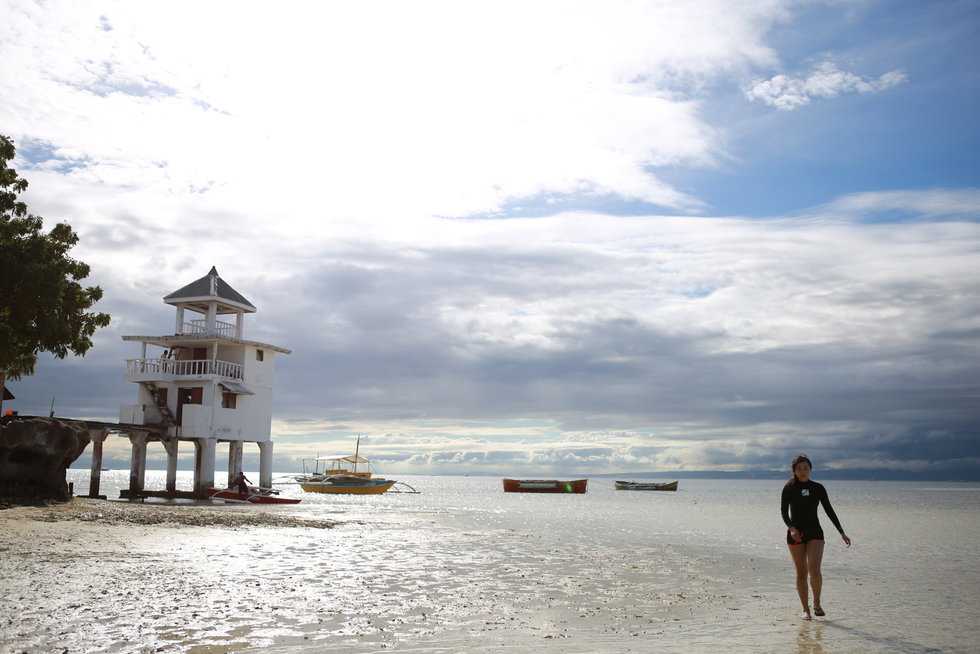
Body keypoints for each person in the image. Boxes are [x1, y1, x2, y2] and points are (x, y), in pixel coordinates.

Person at [781, 454, 851, 621]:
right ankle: (806, 610)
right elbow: (784, 512)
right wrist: (791, 528)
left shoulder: (818, 488)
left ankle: (817, 603)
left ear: (810, 469)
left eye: (806, 468)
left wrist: (841, 532)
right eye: (799, 469)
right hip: (796, 534)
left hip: (815, 532)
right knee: (801, 572)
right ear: (794, 471)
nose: (803, 471)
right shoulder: (789, 488)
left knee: (814, 569)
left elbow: (829, 510)